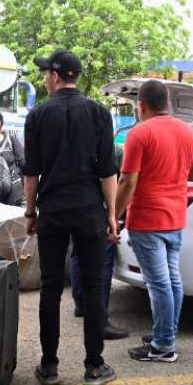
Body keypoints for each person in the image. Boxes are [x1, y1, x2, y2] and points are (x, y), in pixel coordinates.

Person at [24, 49, 118, 385]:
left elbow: (31, 172)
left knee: (51, 287)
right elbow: (108, 171)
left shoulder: (37, 115)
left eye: (45, 72)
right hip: (89, 209)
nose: (43, 78)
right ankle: (94, 367)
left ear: (56, 75)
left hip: (52, 210)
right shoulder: (98, 113)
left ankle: (49, 367)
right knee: (94, 287)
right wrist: (111, 215)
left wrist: (30, 211)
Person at [115, 80, 193, 363]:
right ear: (167, 102)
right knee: (171, 281)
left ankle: (163, 346)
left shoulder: (139, 134)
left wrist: (113, 216)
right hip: (175, 217)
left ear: (141, 106)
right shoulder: (188, 132)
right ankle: (165, 333)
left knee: (159, 284)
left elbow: (128, 180)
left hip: (147, 218)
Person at [68, 144, 128, 340]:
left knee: (78, 254)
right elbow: (119, 181)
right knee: (102, 265)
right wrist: (114, 214)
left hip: (77, 208)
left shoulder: (74, 146)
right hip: (100, 211)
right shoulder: (113, 151)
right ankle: (100, 320)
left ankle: (81, 304)